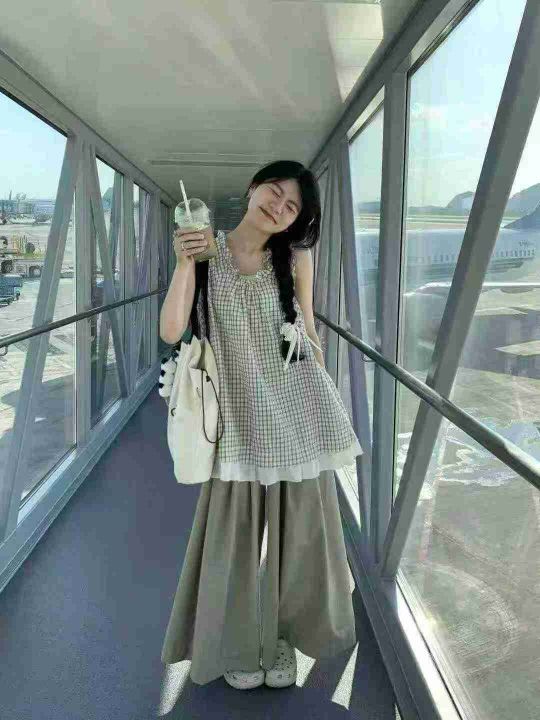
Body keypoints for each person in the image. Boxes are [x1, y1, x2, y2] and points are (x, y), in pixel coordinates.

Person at [159, 160, 363, 690]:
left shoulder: (296, 257)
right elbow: (172, 330)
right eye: (274, 192)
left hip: (296, 417)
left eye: (292, 206)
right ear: (253, 189)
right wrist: (184, 263)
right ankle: (236, 643)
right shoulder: (207, 251)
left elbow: (308, 330)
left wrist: (323, 398)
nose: (279, 207)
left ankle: (282, 639)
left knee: (301, 544)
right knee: (232, 547)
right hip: (237, 422)